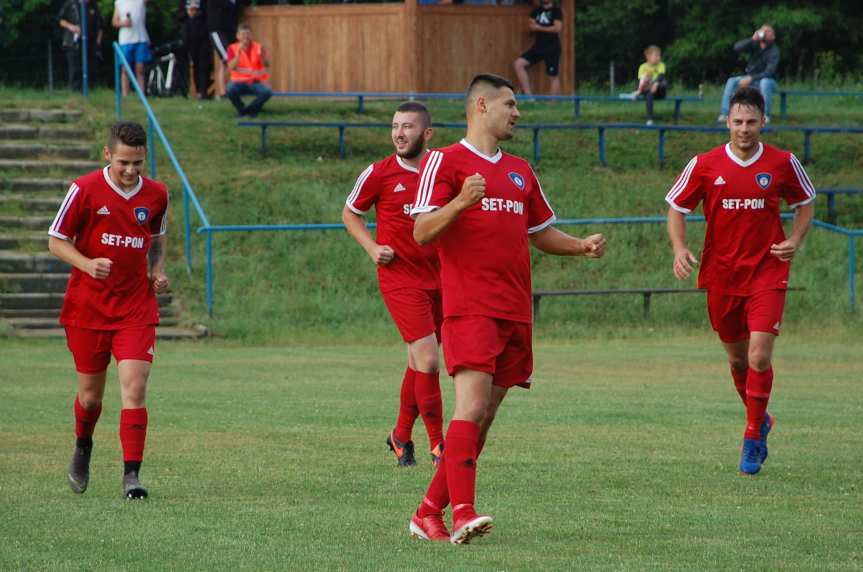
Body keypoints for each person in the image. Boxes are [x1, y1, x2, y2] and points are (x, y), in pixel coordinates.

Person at [408, 74, 606, 544]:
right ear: (481, 105)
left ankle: (426, 511)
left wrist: (580, 246)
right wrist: (460, 201)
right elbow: (420, 232)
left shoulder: (520, 170)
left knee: (484, 417)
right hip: (470, 306)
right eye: (510, 104)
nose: (517, 113)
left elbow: (538, 233)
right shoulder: (443, 161)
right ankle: (463, 514)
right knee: (471, 407)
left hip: (515, 311)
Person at [665, 87, 815, 476]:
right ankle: (760, 416)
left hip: (767, 271)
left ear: (763, 122)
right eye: (737, 122)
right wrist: (680, 248)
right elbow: (677, 207)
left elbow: (805, 202)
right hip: (722, 274)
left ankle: (752, 435)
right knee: (736, 359)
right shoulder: (704, 164)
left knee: (759, 356)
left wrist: (795, 240)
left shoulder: (783, 163)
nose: (744, 129)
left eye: (751, 122)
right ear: (727, 122)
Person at [47, 122, 170, 499]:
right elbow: (55, 240)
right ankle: (83, 446)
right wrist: (86, 264)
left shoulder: (157, 194)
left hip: (135, 305)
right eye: (123, 163)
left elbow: (158, 237)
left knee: (135, 386)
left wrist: (158, 270)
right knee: (91, 398)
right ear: (107, 155)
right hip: (89, 307)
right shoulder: (83, 190)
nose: (131, 170)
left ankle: (131, 477)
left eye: (137, 163)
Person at [342, 102, 445, 468]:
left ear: (427, 134)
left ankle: (400, 436)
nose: (399, 133)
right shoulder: (379, 173)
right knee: (431, 361)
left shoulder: (445, 170)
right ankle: (439, 447)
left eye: (408, 127)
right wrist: (371, 247)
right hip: (401, 279)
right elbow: (350, 212)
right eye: (395, 126)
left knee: (418, 362)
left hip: (443, 280)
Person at [718, 24, 779, 123]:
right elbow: (737, 48)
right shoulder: (754, 44)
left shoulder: (774, 51)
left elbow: (769, 72)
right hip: (750, 78)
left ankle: (765, 115)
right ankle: (725, 114)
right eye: (763, 30)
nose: (764, 33)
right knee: (732, 81)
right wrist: (752, 39)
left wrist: (751, 78)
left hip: (768, 81)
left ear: (773, 36)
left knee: (765, 82)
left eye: (768, 31)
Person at [513, 0, 563, 96]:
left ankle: (553, 104)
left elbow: (557, 28)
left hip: (552, 47)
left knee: (553, 75)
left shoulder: (556, 11)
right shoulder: (536, 11)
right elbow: (531, 26)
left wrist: (538, 27)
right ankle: (529, 97)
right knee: (518, 64)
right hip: (538, 47)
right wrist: (531, 27)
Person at [225, 24, 272, 117]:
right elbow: (230, 67)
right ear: (237, 36)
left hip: (254, 81)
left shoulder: (258, 47)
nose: (245, 37)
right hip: (238, 82)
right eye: (243, 34)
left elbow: (267, 65)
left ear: (251, 35)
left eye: (248, 34)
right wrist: (238, 55)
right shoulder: (232, 48)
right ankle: (241, 109)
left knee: (267, 92)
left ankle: (249, 110)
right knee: (229, 90)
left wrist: (263, 57)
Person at [58, 0, 104, 92]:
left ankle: (91, 90)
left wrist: (98, 42)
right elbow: (61, 20)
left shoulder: (93, 5)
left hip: (91, 42)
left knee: (91, 67)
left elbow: (100, 25)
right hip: (73, 42)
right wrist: (71, 27)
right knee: (75, 68)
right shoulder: (70, 4)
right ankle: (75, 90)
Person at [113, 0, 150, 96]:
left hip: (140, 38)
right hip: (125, 40)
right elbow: (114, 21)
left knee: (140, 68)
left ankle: (141, 94)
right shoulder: (119, 2)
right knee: (125, 68)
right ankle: (125, 94)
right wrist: (123, 23)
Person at [625, 45, 666, 126]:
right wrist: (649, 86)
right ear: (648, 56)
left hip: (659, 92)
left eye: (659, 55)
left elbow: (661, 76)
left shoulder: (661, 65)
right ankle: (650, 118)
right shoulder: (642, 67)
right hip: (647, 89)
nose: (658, 58)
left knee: (664, 82)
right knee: (648, 92)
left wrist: (656, 84)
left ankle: (637, 93)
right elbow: (641, 81)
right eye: (656, 55)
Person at [178, 0, 212, 99]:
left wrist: (197, 13)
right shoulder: (183, 1)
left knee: (204, 65)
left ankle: (203, 92)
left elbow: (208, 13)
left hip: (203, 37)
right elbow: (179, 16)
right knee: (194, 65)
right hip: (189, 38)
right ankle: (196, 91)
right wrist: (188, 13)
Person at [207, 0, 239, 98]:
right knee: (227, 60)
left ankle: (226, 90)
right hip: (217, 31)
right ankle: (223, 91)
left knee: (225, 61)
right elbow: (226, 5)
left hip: (231, 31)